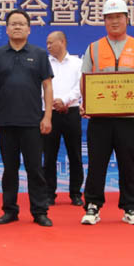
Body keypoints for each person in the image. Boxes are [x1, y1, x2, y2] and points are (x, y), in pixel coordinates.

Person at [80, 0, 134, 226]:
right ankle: (92, 205)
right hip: (100, 118)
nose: (114, 21)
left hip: (129, 117)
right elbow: (85, 79)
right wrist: (87, 103)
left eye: (118, 17)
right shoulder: (93, 48)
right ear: (104, 21)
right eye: (109, 17)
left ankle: (131, 206)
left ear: (126, 19)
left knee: (129, 164)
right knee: (97, 163)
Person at [0, 9, 54, 227]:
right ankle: (10, 210)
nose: (17, 27)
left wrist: (47, 116)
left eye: (21, 24)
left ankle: (40, 211)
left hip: (33, 122)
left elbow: (47, 86)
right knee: (9, 169)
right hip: (6, 122)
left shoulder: (39, 54)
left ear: (29, 29)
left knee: (35, 169)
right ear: (6, 29)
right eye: (13, 24)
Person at [43, 31, 84, 207]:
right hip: (48, 113)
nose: (48, 46)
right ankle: (49, 193)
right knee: (49, 156)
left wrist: (64, 101)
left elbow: (81, 87)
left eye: (51, 42)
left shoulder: (77, 63)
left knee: (75, 154)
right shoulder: (44, 63)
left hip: (71, 111)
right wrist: (53, 102)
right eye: (47, 43)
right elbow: (40, 87)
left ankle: (75, 193)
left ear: (62, 42)